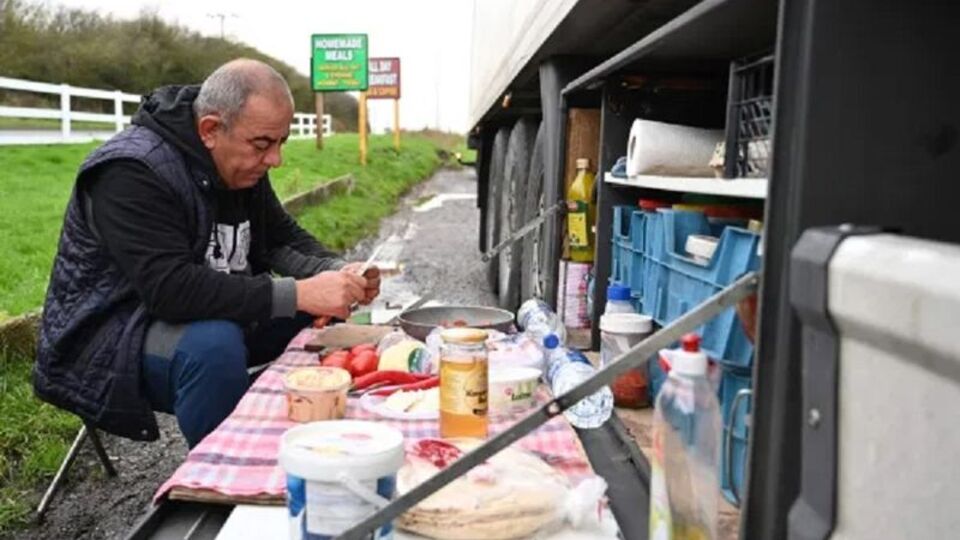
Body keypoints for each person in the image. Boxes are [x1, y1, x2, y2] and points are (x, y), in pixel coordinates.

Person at [34, 59, 380, 447]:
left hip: (204, 312)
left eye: (281, 143)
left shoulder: (241, 163)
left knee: (320, 309)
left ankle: (299, 424)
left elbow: (277, 238)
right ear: (210, 130)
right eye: (263, 144)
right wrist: (300, 292)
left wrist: (337, 273)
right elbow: (170, 290)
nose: (275, 160)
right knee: (214, 345)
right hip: (113, 334)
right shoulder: (130, 171)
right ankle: (227, 465)